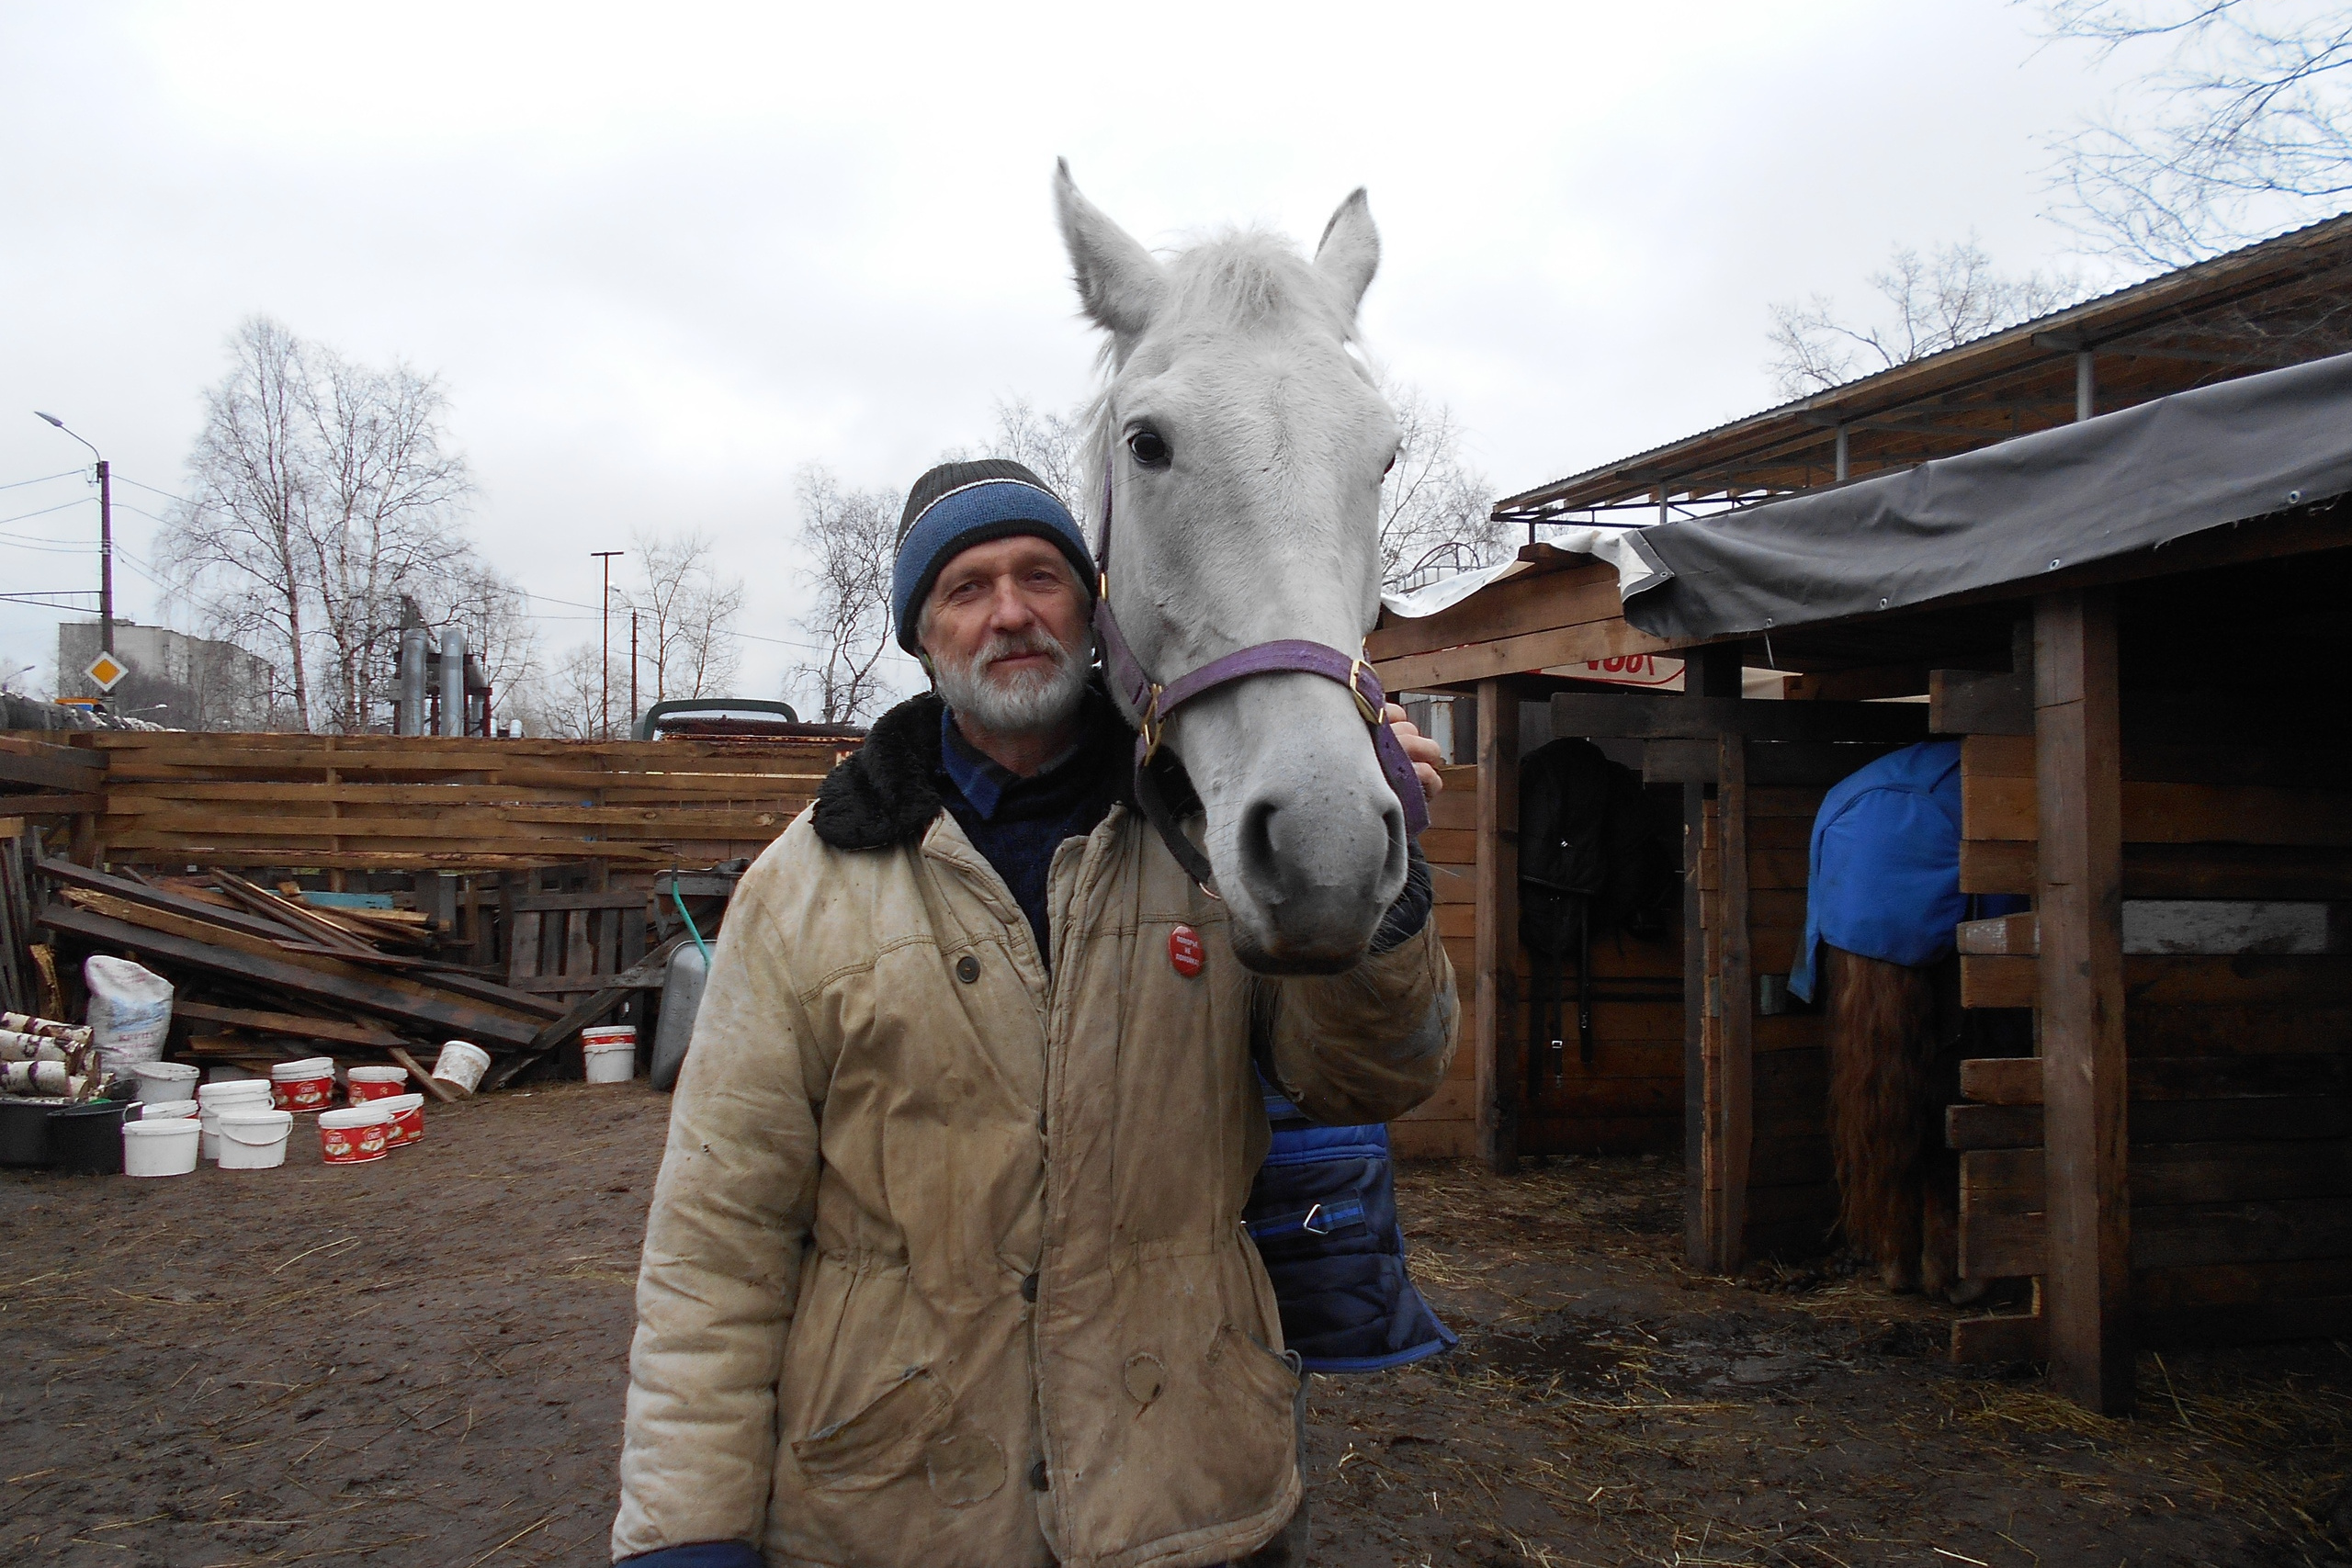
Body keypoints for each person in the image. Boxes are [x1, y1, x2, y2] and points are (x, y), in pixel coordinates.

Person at [611, 458, 1457, 1568]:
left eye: (1040, 577)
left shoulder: (1208, 844)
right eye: (964, 589)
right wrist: (687, 1529)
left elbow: (1366, 1080)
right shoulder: (805, 885)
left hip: (1188, 1489)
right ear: (921, 636)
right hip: (894, 1507)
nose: (1008, 612)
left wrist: (1364, 881)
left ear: (1096, 611)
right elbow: (718, 1236)